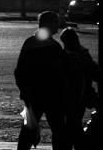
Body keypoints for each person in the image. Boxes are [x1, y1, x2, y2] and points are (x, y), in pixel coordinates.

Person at [14, 10, 69, 150]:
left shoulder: (29, 44)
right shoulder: (54, 47)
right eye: (56, 22)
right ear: (49, 24)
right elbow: (61, 73)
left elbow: (20, 71)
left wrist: (24, 91)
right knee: (59, 131)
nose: (58, 25)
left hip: (33, 94)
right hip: (52, 95)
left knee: (28, 129)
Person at [60, 28, 99, 149]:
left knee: (72, 124)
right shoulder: (82, 54)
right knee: (74, 123)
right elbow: (92, 70)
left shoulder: (65, 55)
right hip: (81, 95)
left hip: (70, 96)